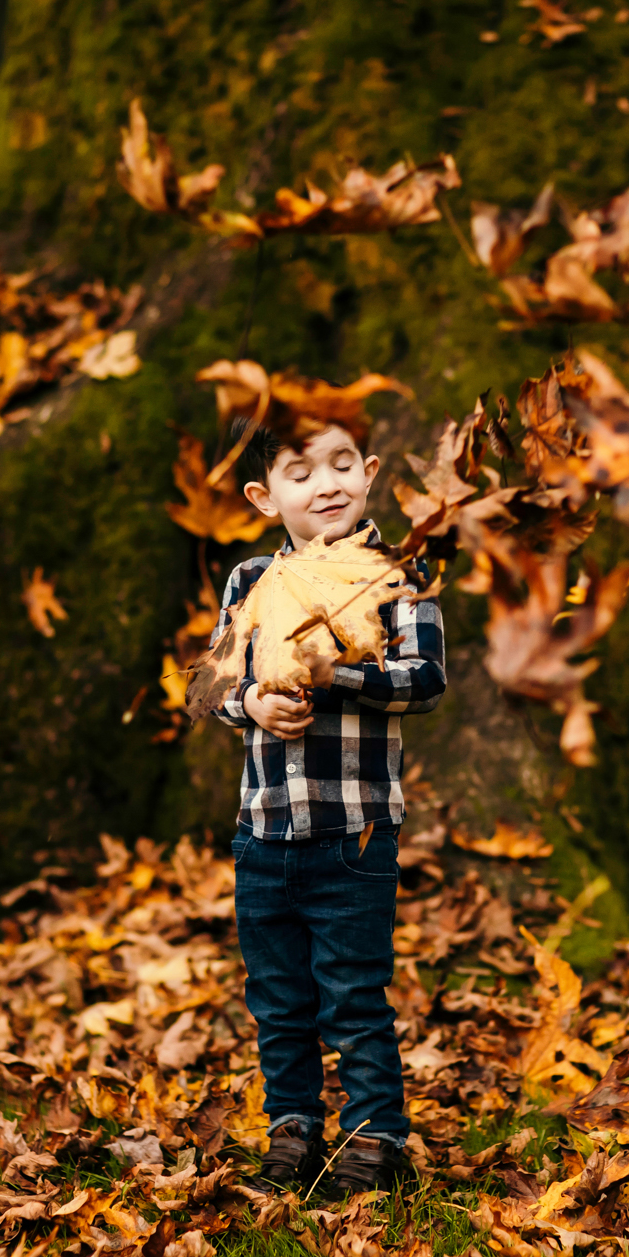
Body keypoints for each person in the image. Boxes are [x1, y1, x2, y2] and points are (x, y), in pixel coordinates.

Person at [208, 416, 446, 1199]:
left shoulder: (399, 571)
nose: (327, 484)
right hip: (264, 832)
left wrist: (336, 672)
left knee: (352, 991)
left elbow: (425, 678)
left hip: (355, 830)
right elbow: (207, 685)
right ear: (264, 494)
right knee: (279, 998)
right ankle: (293, 1130)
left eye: (343, 464)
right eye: (302, 472)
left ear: (370, 471)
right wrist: (252, 703)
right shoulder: (249, 582)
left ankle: (378, 1136)